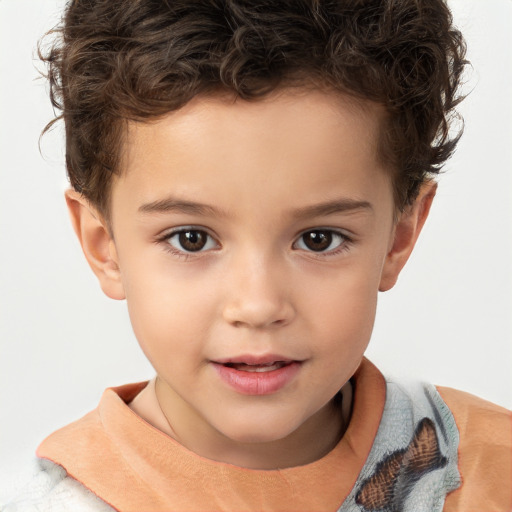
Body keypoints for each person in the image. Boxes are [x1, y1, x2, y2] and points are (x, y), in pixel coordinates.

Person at [2, 1, 510, 511]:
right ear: (103, 244)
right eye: (191, 239)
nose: (258, 304)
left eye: (319, 239)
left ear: (400, 237)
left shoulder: (493, 467)